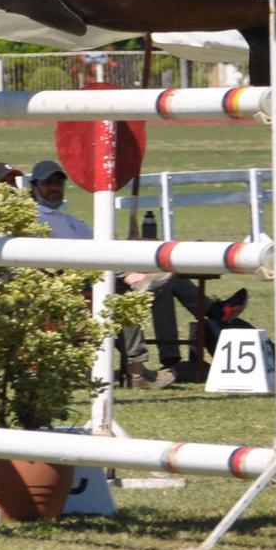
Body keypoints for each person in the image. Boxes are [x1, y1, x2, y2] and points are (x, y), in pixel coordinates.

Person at [27, 160, 175, 389]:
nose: (54, 187)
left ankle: (207, 313)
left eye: (58, 182)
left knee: (172, 281)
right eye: (48, 183)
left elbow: (104, 242)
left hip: (91, 277)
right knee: (125, 298)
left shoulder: (67, 219)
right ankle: (138, 372)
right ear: (34, 186)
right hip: (71, 284)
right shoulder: (35, 217)